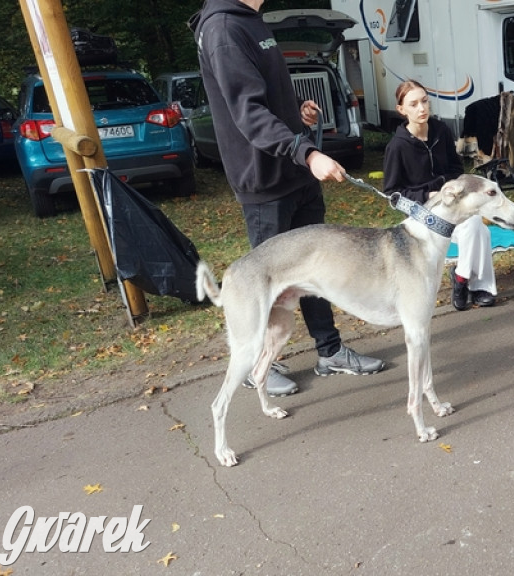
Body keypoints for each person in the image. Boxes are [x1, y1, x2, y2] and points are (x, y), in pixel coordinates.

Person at [190, 0, 385, 397]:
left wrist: (297, 117)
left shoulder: (251, 22)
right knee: (269, 284)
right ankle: (262, 364)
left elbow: (266, 99)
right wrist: (306, 152)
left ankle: (330, 352)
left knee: (318, 272)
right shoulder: (224, 30)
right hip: (265, 184)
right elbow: (248, 113)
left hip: (294, 175)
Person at [382, 80, 498, 311]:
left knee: (476, 225)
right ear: (401, 110)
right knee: (478, 228)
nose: (422, 108)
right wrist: (428, 194)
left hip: (451, 204)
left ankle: (463, 278)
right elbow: (392, 193)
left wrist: (452, 187)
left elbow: (456, 169)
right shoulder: (397, 146)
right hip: (422, 213)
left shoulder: (441, 131)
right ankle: (476, 285)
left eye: (424, 101)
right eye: (413, 104)